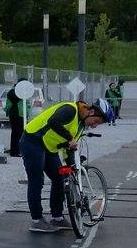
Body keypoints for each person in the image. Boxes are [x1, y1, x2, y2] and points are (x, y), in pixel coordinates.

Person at [19, 96, 112, 232]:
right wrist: (69, 138)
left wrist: (71, 167)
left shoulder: (81, 125)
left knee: (60, 178)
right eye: (96, 121)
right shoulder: (70, 109)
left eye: (98, 124)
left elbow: (69, 148)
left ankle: (57, 218)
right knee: (37, 180)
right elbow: (53, 122)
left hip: (49, 147)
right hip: (33, 141)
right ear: (91, 112)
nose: (94, 125)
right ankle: (37, 220)